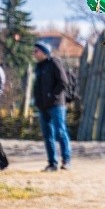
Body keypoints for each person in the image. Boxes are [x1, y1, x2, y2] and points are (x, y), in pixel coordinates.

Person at [32, 41, 72, 171]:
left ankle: (66, 160)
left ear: (44, 52)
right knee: (47, 134)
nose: (34, 54)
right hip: (43, 106)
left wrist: (52, 96)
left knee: (60, 132)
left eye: (36, 51)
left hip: (56, 105)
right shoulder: (39, 66)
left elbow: (63, 82)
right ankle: (52, 163)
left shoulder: (54, 62)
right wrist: (38, 101)